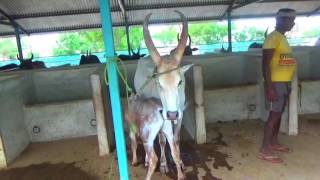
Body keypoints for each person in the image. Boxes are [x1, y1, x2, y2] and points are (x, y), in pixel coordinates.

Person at [260, 8, 296, 163]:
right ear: (279, 20)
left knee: (279, 113)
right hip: (275, 83)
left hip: (284, 82)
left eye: (293, 20)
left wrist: (288, 82)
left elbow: (282, 60)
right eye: (289, 19)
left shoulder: (282, 37)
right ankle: (265, 149)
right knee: (273, 115)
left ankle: (273, 142)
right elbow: (265, 64)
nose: (292, 23)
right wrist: (269, 87)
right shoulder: (272, 38)